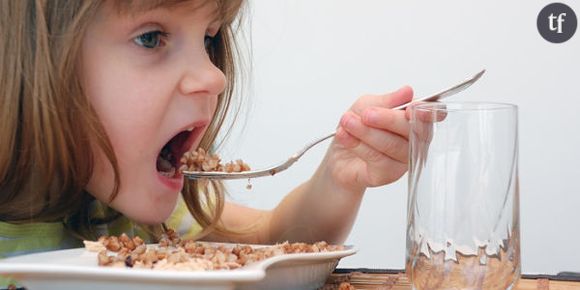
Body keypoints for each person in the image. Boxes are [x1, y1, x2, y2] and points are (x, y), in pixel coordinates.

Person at [0, 0, 413, 287]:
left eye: (209, 39)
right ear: (38, 56)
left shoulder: (123, 217)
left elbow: (275, 237)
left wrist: (339, 175)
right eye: (151, 37)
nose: (215, 77)